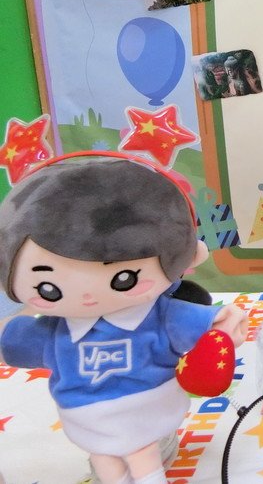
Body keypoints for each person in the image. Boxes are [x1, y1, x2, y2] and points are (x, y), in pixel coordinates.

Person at [0, 155, 247, 484]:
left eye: (124, 279)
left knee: (143, 456)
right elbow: (16, 342)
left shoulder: (160, 316)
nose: (88, 297)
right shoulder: (54, 331)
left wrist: (219, 336)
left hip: (144, 410)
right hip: (86, 419)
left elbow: (216, 324)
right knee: (106, 461)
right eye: (49, 287)